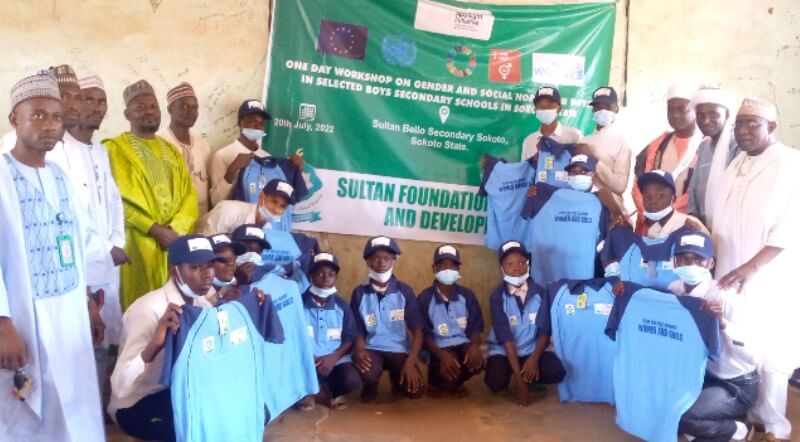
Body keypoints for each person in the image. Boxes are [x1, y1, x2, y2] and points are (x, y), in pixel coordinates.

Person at [0, 71, 104, 441]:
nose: (50, 125)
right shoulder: (1, 175)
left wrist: (90, 301)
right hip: (24, 318)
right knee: (25, 408)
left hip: (70, 312)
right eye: (38, 115)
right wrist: (2, 323)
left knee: (77, 404)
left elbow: (83, 241)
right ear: (15, 119)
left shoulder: (60, 175)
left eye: (57, 117)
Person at [712, 98, 800, 442]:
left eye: (753, 124)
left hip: (768, 274)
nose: (744, 131)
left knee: (769, 349)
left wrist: (751, 267)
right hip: (732, 270)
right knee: (737, 342)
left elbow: (791, 227)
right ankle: (745, 411)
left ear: (772, 127)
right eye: (740, 124)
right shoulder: (737, 164)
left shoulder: (790, 163)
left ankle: (773, 423)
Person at [109, 234, 223, 441]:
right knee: (189, 428)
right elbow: (119, 387)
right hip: (138, 402)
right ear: (175, 271)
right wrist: (154, 346)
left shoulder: (202, 307)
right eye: (196, 267)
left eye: (210, 265)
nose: (207, 275)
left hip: (179, 393)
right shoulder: (148, 310)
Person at [104, 79, 199, 310]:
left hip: (174, 244)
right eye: (140, 107)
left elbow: (189, 196)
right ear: (127, 114)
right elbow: (111, 201)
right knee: (139, 311)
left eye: (153, 106)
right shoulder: (113, 149)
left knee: (175, 310)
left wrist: (175, 230)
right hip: (137, 244)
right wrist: (152, 228)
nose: (149, 112)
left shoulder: (171, 150)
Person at [666, 231, 758, 442]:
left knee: (683, 417)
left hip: (734, 383)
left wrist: (722, 324)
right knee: (662, 407)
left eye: (699, 259)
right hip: (698, 377)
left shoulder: (725, 296)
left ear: (710, 263)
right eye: (685, 259)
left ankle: (738, 429)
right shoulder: (673, 291)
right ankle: (704, 421)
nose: (692, 265)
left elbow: (752, 355)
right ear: (675, 261)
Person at [484, 240, 566, 406]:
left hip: (531, 350)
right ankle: (521, 376)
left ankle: (531, 376)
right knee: (495, 381)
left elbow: (544, 331)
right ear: (502, 268)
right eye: (510, 264)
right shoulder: (497, 297)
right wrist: (520, 384)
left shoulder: (540, 293)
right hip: (505, 352)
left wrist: (534, 359)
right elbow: (506, 339)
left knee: (556, 371)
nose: (516, 268)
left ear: (528, 265)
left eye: (521, 262)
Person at [351, 236, 425, 402]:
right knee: (366, 371)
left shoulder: (405, 291)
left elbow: (418, 331)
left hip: (399, 350)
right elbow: (358, 329)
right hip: (371, 348)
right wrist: (360, 351)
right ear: (368, 261)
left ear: (394, 260)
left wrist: (411, 361)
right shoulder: (359, 292)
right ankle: (370, 387)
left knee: (416, 390)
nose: (381, 262)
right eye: (376, 258)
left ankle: (397, 382)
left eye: (387, 258)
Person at [417, 245, 484, 397]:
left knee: (477, 361)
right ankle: (435, 382)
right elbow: (424, 335)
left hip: (462, 343)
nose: (448, 270)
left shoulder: (467, 296)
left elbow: (475, 327)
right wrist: (442, 355)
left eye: (452, 266)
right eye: (442, 266)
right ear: (434, 268)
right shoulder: (425, 298)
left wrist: (474, 347)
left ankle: (456, 382)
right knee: (447, 361)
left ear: (458, 269)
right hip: (436, 348)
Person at [298, 253, 361, 410]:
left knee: (352, 379)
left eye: (331, 274)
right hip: (305, 359)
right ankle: (306, 393)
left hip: (334, 360)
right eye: (320, 273)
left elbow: (349, 336)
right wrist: (307, 357)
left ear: (336, 277)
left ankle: (334, 391)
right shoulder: (298, 304)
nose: (326, 278)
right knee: (288, 371)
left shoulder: (342, 306)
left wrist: (334, 358)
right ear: (310, 276)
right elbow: (290, 336)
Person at [209, 99, 303, 206]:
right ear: (240, 123)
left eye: (261, 123)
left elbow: (276, 197)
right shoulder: (222, 155)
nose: (257, 126)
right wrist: (231, 171)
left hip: (260, 220)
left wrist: (295, 167)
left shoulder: (267, 158)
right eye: (251, 121)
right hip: (234, 221)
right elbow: (215, 202)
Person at [633, 84, 702, 228]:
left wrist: (669, 216)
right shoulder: (657, 145)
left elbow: (700, 193)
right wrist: (648, 212)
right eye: (671, 109)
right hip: (649, 221)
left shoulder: (705, 146)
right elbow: (638, 185)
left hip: (685, 223)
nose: (675, 114)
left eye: (681, 109)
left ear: (695, 111)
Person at [686, 87, 740, 228]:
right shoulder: (703, 148)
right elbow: (693, 188)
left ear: (727, 115)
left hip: (732, 227)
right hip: (704, 226)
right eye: (700, 115)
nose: (706, 120)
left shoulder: (738, 147)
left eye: (713, 114)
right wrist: (694, 219)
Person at [159, 82, 212, 216]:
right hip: (170, 224)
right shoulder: (158, 143)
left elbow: (210, 190)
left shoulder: (203, 146)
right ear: (170, 108)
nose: (191, 112)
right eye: (184, 106)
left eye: (195, 107)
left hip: (201, 223)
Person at [576, 86, 632, 212]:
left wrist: (593, 160)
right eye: (597, 107)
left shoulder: (622, 142)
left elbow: (620, 186)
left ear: (616, 108)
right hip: (585, 208)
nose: (601, 110)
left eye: (607, 106)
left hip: (611, 211)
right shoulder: (584, 141)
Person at [198, 178, 294, 235]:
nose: (276, 209)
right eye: (273, 201)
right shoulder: (229, 211)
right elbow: (207, 245)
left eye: (282, 206)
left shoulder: (268, 230)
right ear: (262, 197)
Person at [637, 170, 708, 239]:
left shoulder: (690, 225)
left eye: (659, 195)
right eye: (646, 197)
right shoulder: (652, 230)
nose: (652, 201)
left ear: (673, 198)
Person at [520, 86, 582, 160]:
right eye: (541, 106)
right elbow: (525, 169)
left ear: (559, 109)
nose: (545, 110)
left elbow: (581, 167)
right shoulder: (529, 141)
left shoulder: (574, 136)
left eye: (550, 106)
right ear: (535, 110)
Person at [208, 233, 246, 304]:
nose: (231, 264)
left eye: (234, 259)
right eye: (223, 260)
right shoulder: (196, 294)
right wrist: (220, 303)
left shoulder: (234, 289)